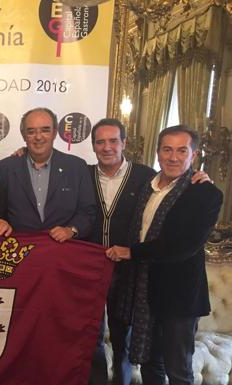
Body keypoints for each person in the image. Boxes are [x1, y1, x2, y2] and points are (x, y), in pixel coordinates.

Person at [88, 119, 211, 385]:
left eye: (181, 150)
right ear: (158, 153)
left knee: (177, 369)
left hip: (174, 293)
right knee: (149, 364)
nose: (173, 157)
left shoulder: (202, 191)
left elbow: (183, 245)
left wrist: (131, 252)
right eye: (167, 150)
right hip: (136, 287)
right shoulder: (150, 185)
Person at [0, 107, 96, 242]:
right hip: (18, 252)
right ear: (24, 135)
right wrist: (1, 221)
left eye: (45, 130)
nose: (38, 137)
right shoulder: (4, 168)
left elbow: (88, 212)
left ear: (54, 133)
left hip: (63, 252)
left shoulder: (76, 167)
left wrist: (71, 230)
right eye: (31, 131)